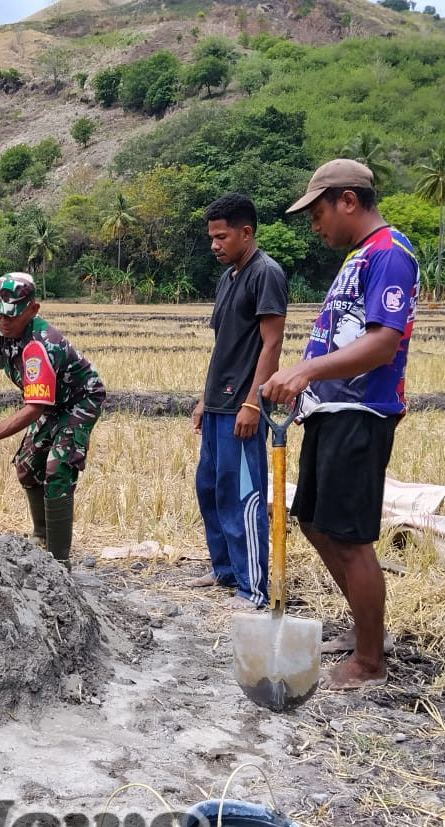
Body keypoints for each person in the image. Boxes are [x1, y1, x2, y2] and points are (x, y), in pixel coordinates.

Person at [262, 159, 419, 691]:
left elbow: (381, 343)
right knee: (314, 521)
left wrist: (304, 369)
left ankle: (370, 663)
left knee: (351, 540)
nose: (314, 225)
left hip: (361, 412)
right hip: (330, 410)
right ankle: (364, 631)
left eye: (317, 213)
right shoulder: (360, 257)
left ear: (348, 200)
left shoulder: (390, 254)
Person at [0, 272, 105, 569]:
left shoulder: (41, 345)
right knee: (26, 465)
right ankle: (42, 535)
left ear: (33, 310)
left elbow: (34, 408)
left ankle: (60, 561)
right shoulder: (0, 330)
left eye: (11, 315)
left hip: (78, 400)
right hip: (49, 403)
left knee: (58, 467)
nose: (3, 321)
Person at [190, 193, 287, 610]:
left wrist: (253, 403)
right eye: (211, 237)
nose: (215, 244)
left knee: (242, 495)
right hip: (217, 404)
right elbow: (222, 347)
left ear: (246, 233)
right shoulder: (228, 278)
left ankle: (253, 588)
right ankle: (224, 569)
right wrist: (203, 399)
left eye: (222, 236)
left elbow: (272, 343)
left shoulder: (265, 274)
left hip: (242, 407)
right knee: (209, 487)